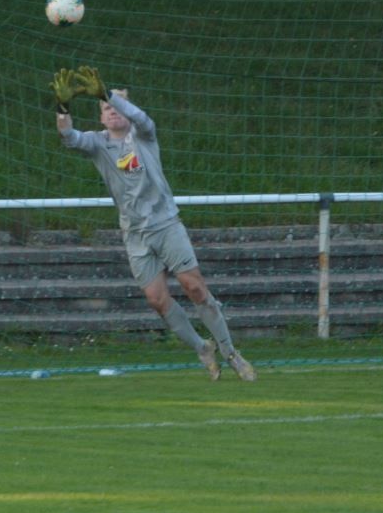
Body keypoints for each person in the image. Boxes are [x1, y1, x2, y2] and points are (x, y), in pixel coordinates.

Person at [52, 66, 255, 381]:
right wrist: (62, 106)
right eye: (106, 107)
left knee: (194, 287)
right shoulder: (97, 143)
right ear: (101, 117)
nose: (112, 111)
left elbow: (143, 118)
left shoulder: (143, 134)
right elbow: (67, 136)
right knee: (156, 300)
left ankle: (230, 352)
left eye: (117, 106)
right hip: (135, 234)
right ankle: (202, 348)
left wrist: (109, 95)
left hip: (166, 224)